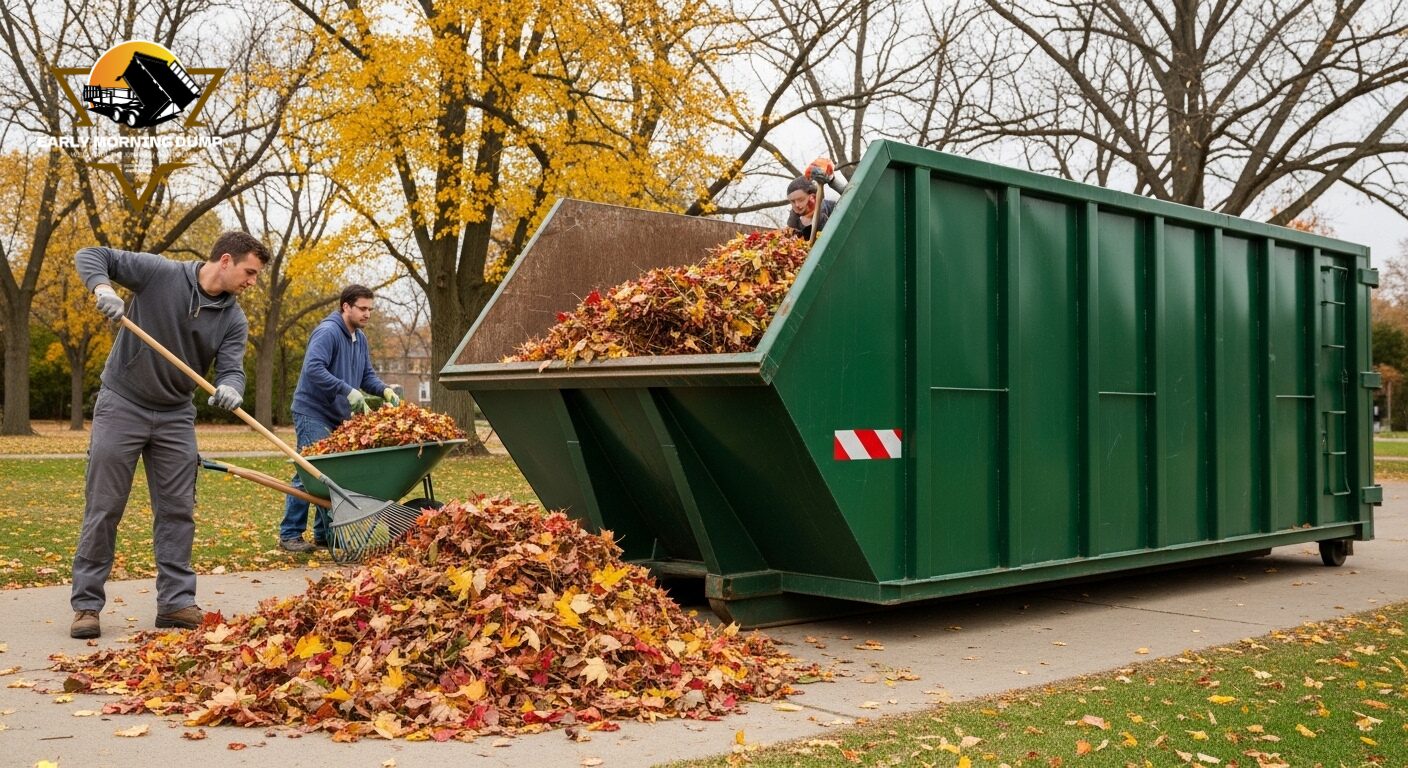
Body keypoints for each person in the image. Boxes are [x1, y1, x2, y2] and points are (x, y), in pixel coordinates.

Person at [70, 231, 270, 639]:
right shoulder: (159, 273)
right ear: (226, 260)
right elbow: (91, 255)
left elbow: (231, 368)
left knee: (178, 510)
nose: (252, 281)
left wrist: (232, 386)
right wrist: (103, 288)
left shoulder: (234, 319)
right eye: (250, 272)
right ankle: (87, 606)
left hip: (176, 414)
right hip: (122, 403)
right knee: (104, 507)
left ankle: (176, 603)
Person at [277, 285, 400, 553]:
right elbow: (313, 369)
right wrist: (346, 390)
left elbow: (366, 375)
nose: (368, 314)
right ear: (346, 306)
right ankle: (289, 534)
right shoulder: (328, 332)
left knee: (330, 475)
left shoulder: (360, 338)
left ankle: (325, 535)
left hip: (337, 416)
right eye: (363, 308)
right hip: (313, 410)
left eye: (370, 309)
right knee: (311, 472)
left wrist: (384, 390)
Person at [785, 157, 848, 241]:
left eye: (800, 200)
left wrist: (832, 180)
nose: (796, 205)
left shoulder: (832, 208)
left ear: (813, 197)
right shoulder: (793, 225)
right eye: (792, 202)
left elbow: (853, 198)